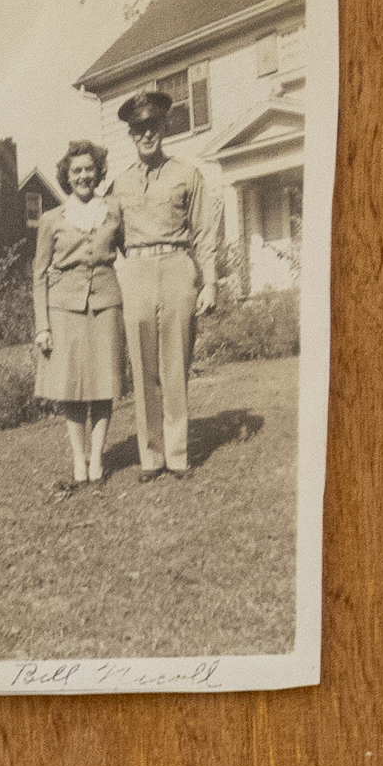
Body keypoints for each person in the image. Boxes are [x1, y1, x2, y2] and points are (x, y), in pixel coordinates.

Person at [102, 84, 244, 484]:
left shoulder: (187, 174)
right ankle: (151, 456)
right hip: (137, 272)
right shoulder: (119, 185)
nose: (147, 133)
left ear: (164, 127)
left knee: (175, 363)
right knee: (143, 367)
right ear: (130, 134)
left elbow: (205, 233)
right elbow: (107, 236)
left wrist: (210, 283)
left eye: (154, 126)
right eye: (139, 128)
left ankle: (178, 454)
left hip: (178, 268)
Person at [29, 138, 123, 490]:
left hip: (106, 305)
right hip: (64, 309)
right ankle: (78, 458)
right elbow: (39, 274)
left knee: (103, 385)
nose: (84, 176)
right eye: (76, 171)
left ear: (98, 172)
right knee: (70, 389)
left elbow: (132, 248)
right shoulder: (51, 219)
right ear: (67, 177)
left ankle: (96, 457)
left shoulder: (113, 211)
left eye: (89, 169)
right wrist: (42, 326)